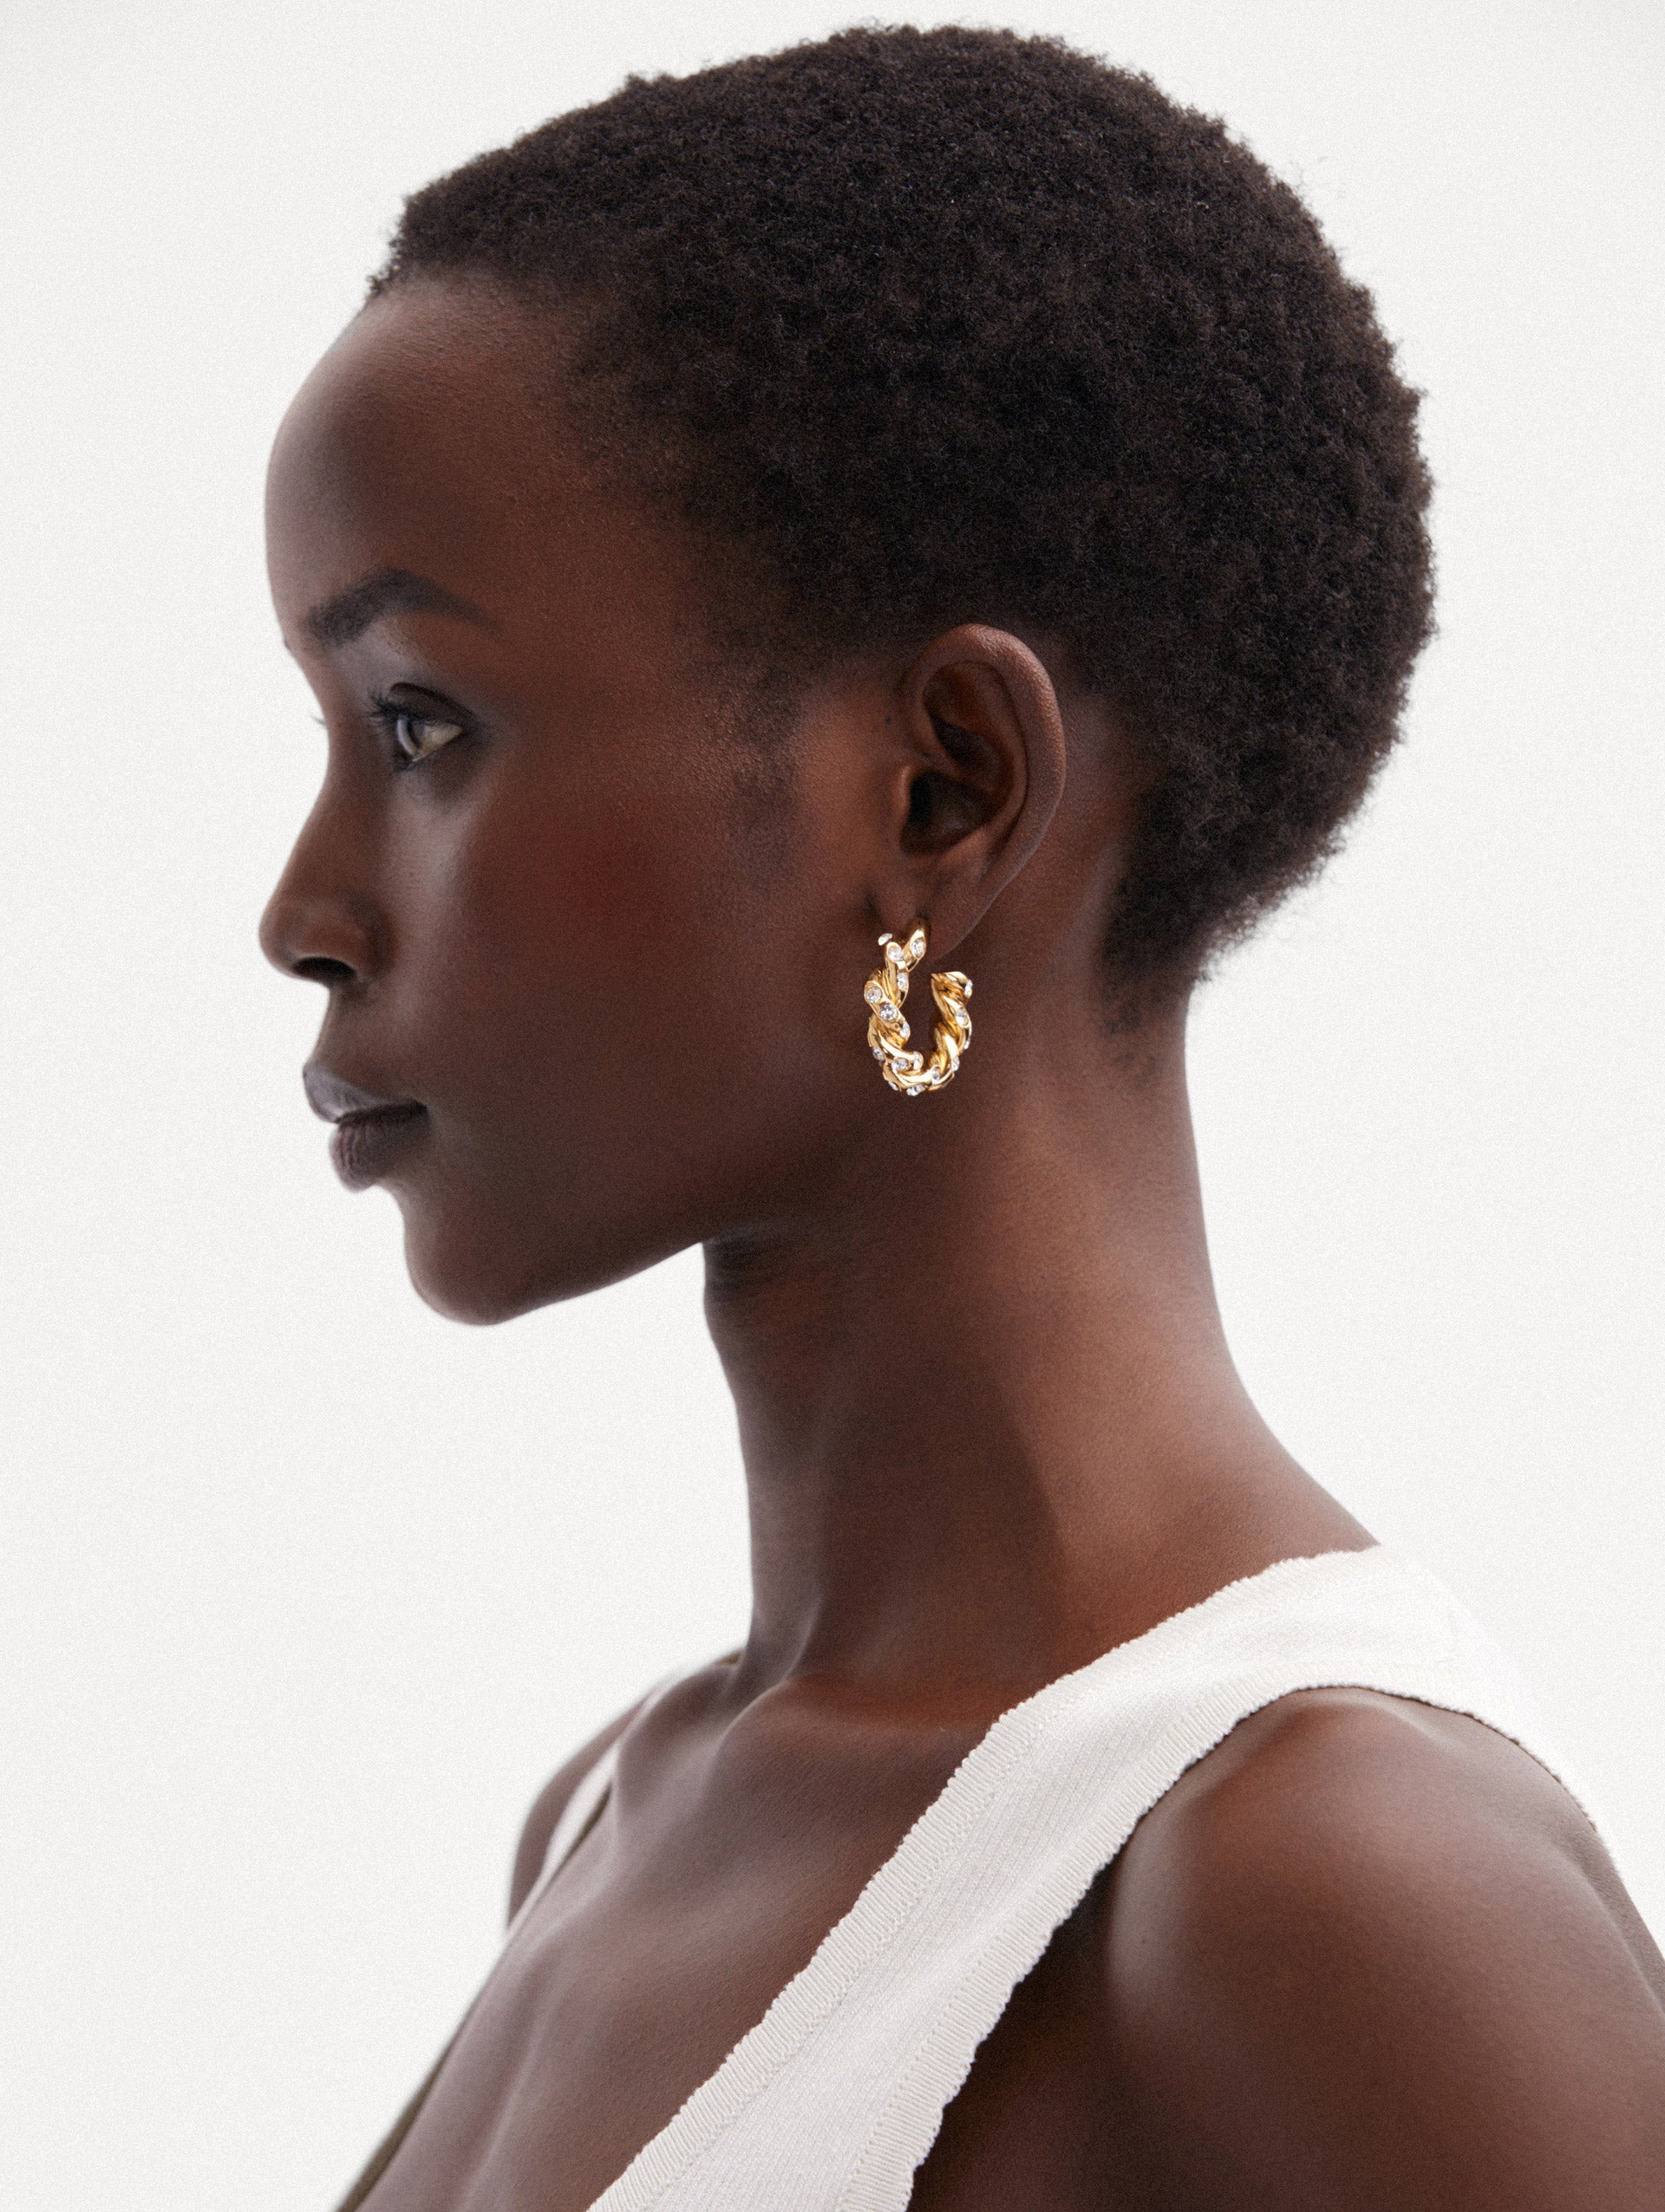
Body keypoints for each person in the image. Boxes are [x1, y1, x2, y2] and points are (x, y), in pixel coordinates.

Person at [258, 26, 1665, 2210]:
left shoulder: (1332, 1888)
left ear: (944, 792)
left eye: (421, 724)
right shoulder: (614, 1819)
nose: (304, 911)